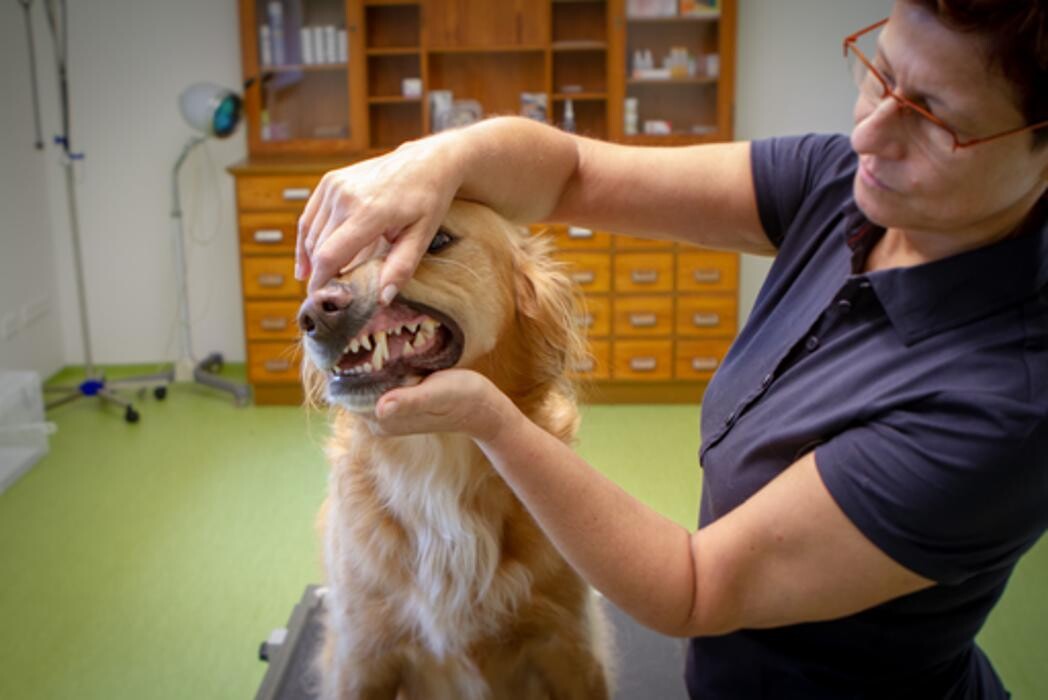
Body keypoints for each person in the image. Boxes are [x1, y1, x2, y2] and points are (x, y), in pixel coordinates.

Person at [295, 0, 1048, 696]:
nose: (869, 134)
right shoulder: (842, 184)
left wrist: (492, 421)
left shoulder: (1004, 410)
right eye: (879, 71)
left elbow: (694, 587)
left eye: (935, 117)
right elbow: (573, 171)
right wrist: (434, 162)